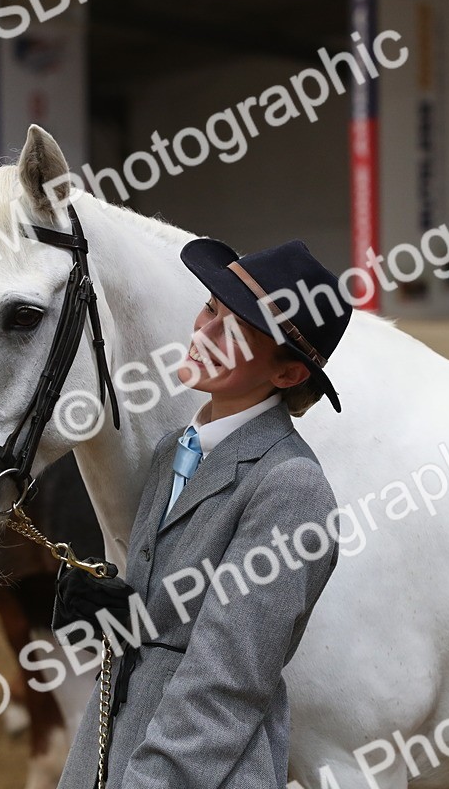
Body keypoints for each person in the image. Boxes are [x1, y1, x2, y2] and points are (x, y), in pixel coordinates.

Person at [54, 237, 353, 788]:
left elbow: (227, 681)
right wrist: (116, 608)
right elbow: (171, 616)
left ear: (287, 375)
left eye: (238, 331)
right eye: (212, 310)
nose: (206, 335)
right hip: (110, 750)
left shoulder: (292, 489)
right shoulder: (173, 450)